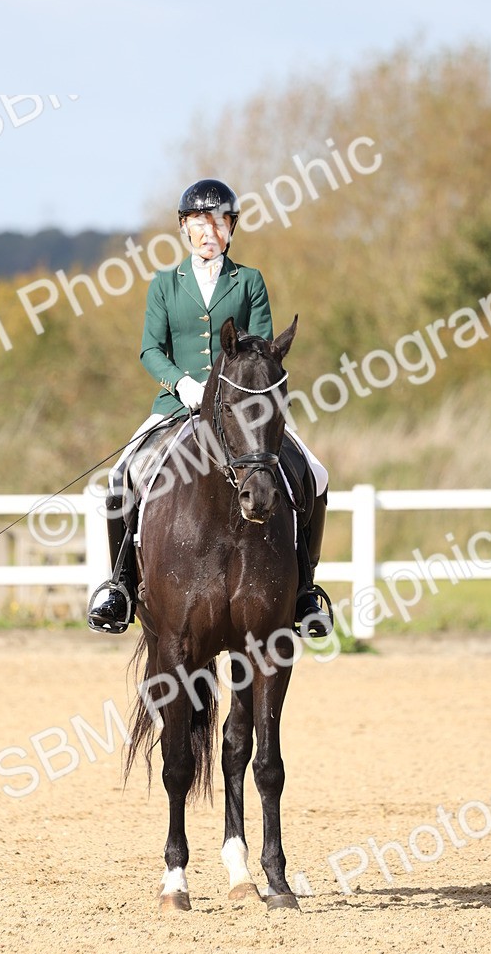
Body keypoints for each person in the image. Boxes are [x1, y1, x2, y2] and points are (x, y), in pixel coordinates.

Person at [87, 178, 331, 636]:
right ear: (184, 228)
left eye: (219, 222)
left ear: (231, 228)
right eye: (199, 223)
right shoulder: (164, 284)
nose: (208, 232)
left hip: (243, 409)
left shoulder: (249, 280)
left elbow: (261, 347)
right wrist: (182, 384)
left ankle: (306, 593)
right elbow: (150, 350)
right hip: (176, 405)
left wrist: (227, 391)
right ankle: (119, 588)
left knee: (315, 473)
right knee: (122, 476)